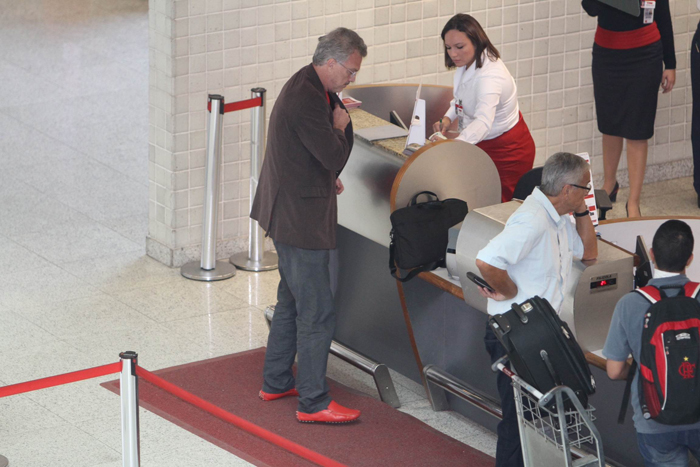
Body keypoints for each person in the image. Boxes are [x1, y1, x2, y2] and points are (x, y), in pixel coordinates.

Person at [250, 27, 367, 424]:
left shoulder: (308, 82)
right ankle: (314, 402)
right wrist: (337, 126)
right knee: (316, 311)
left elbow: (302, 152)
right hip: (298, 219)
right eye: (350, 71)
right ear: (331, 62)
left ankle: (277, 379)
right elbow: (333, 154)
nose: (353, 79)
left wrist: (320, 168)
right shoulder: (308, 98)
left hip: (289, 206)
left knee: (292, 300)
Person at [475, 152, 599, 466]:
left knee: (534, 418)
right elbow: (487, 261)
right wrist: (509, 291)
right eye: (585, 188)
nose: (588, 192)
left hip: (538, 335)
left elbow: (589, 253)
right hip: (516, 336)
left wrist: (582, 208)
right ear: (567, 189)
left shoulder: (558, 218)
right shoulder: (532, 219)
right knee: (518, 422)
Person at [604, 220, 700, 466]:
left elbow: (614, 371)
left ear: (652, 255)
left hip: (655, 421)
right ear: (690, 258)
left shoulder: (629, 304)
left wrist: (646, 372)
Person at [582, 0, 675, 218]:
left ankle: (633, 201)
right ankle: (608, 184)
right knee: (610, 125)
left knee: (638, 129)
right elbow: (590, 7)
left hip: (645, 54)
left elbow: (662, 11)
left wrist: (670, 63)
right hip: (608, 54)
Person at [431, 13, 536, 203]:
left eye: (459, 47)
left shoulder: (490, 77)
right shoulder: (468, 61)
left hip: (508, 152)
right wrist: (447, 118)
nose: (453, 54)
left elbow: (483, 122)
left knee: (500, 209)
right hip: (481, 143)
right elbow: (461, 96)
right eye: (448, 48)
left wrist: (455, 146)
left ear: (476, 41)